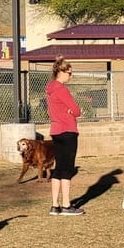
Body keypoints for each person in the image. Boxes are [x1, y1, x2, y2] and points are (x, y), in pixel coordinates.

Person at [46, 56, 84, 214]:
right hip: (67, 131)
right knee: (67, 169)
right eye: (69, 73)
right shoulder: (61, 89)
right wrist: (70, 112)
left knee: (58, 168)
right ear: (61, 72)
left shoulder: (50, 88)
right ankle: (67, 205)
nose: (71, 76)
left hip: (55, 131)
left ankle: (55, 205)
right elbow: (77, 110)